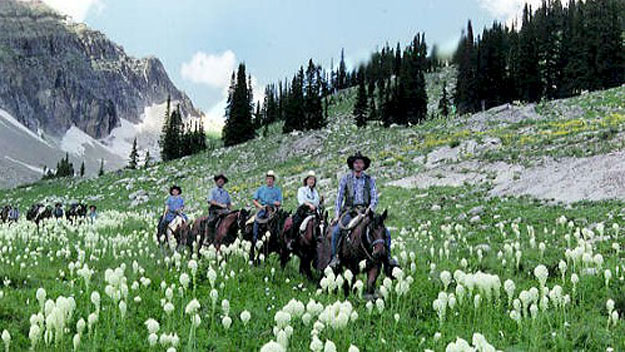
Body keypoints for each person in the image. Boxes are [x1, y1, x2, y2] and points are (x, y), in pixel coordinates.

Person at [328, 151, 398, 272]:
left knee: (384, 231)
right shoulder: (345, 179)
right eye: (356, 162)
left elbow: (374, 197)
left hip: (366, 211)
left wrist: (370, 209)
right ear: (353, 165)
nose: (359, 165)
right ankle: (335, 257)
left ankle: (388, 258)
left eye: (361, 162)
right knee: (336, 232)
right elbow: (339, 198)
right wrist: (337, 215)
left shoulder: (369, 180)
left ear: (364, 165)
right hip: (350, 211)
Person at [252, 171, 283, 243]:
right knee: (256, 220)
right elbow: (254, 200)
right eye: (268, 178)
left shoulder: (277, 190)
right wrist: (260, 206)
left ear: (273, 180)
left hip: (273, 209)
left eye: (271, 179)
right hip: (263, 208)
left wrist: (272, 202)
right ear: (266, 180)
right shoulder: (260, 189)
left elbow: (279, 202)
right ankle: (255, 237)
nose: (269, 180)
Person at [291, 171, 321, 237]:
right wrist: (309, 204)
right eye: (310, 179)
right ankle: (293, 239)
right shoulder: (301, 190)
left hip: (314, 212)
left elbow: (317, 202)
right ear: (306, 180)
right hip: (304, 211)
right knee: (296, 222)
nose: (311, 181)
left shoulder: (315, 192)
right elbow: (301, 201)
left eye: (313, 179)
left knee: (322, 223)